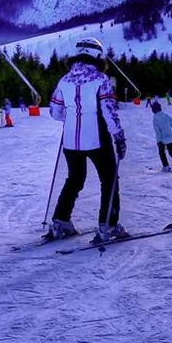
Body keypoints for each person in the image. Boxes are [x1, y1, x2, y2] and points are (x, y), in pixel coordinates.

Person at [46, 38, 127, 243]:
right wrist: (119, 137)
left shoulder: (64, 80)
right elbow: (110, 112)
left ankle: (60, 220)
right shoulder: (101, 79)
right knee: (109, 179)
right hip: (97, 139)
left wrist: (73, 117)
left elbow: (55, 112)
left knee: (74, 179)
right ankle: (108, 224)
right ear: (98, 56)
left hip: (71, 142)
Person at [150, 101, 172, 172]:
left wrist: (159, 141)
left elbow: (157, 131)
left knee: (162, 153)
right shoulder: (166, 116)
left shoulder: (155, 119)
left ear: (153, 110)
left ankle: (166, 166)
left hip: (161, 139)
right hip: (170, 138)